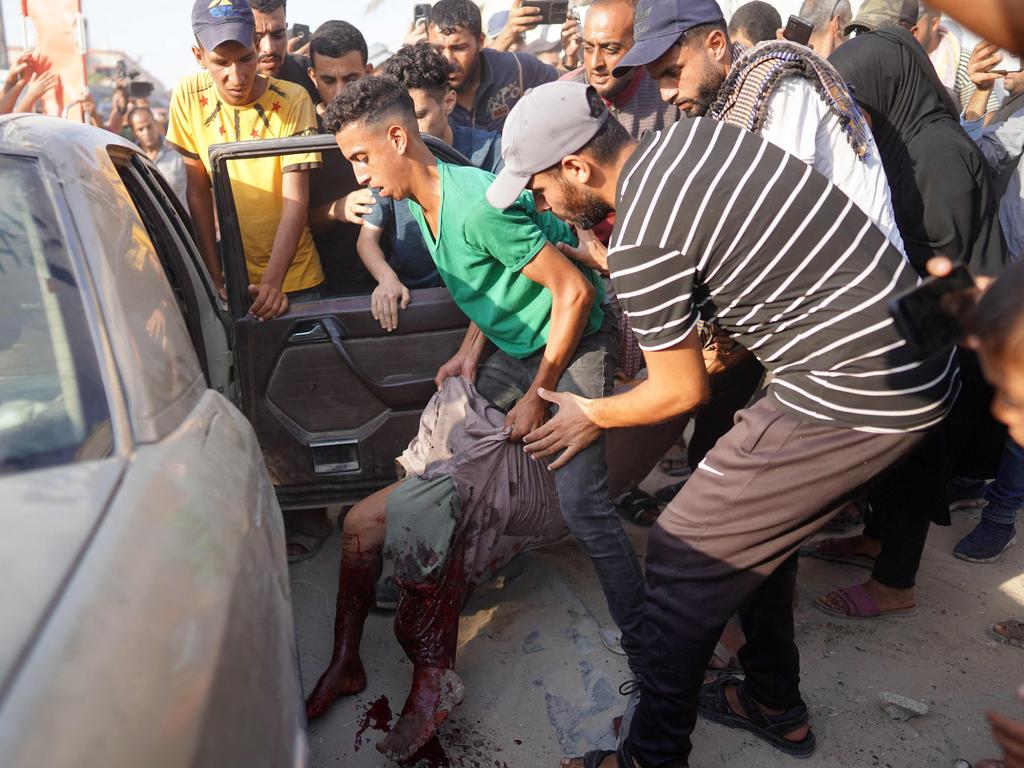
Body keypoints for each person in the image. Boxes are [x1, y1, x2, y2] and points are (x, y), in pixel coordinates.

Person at [485, 80, 958, 768]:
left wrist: (592, 412)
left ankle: (651, 756)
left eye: (538, 189)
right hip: (909, 349)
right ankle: (773, 702)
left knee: (683, 550)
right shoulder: (691, 139)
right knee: (749, 533)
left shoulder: (644, 233)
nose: (539, 205)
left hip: (857, 385)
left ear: (578, 169)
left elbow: (680, 390)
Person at [326, 72, 646, 698]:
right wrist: (468, 351)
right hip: (516, 344)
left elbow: (575, 292)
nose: (360, 177)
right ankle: (413, 592)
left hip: (573, 339)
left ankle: (646, 644)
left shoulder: (474, 206)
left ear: (398, 137)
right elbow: (486, 285)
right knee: (446, 449)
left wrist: (536, 395)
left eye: (362, 158)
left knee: (584, 507)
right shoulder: (422, 203)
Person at [804, 27, 1008, 620]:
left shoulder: (939, 153)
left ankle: (897, 581)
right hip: (923, 317)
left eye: (856, 98)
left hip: (953, 328)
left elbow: (951, 269)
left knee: (918, 451)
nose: (850, 113)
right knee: (887, 450)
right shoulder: (899, 142)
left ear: (888, 87)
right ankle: (874, 540)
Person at [167, 0, 323, 318]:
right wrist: (213, 277)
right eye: (221, 62)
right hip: (232, 286)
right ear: (199, 57)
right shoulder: (186, 96)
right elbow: (197, 192)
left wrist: (272, 285)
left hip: (297, 281)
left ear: (255, 45)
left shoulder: (294, 99)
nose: (236, 76)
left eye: (246, 59)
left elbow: (296, 201)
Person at [357, 42, 505, 333]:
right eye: (402, 120)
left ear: (448, 102)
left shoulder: (491, 152)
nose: (411, 132)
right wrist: (387, 279)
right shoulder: (389, 160)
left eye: (421, 115)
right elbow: (367, 239)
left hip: (491, 304)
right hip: (416, 304)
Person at [306, 20, 377, 299]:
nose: (339, 93)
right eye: (328, 80)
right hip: (333, 286)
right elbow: (295, 221)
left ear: (368, 72)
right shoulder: (302, 134)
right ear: (312, 76)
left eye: (350, 79)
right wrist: (337, 209)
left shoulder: (390, 122)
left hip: (399, 275)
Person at [426, 0, 558, 132]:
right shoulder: (421, 87)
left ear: (480, 42)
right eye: (438, 49)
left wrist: (570, 60)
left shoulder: (516, 67)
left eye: (459, 48)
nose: (448, 60)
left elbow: (568, 85)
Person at [563, 0, 680, 139]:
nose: (595, 63)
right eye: (588, 48)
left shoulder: (670, 94)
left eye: (610, 50)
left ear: (638, 48)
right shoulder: (564, 97)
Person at [249, 0, 319, 104]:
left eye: (278, 35)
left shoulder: (307, 73)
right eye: (257, 37)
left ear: (286, 29)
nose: (270, 49)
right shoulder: (223, 80)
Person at [128, 106, 188, 207]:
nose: (146, 132)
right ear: (134, 132)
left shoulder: (178, 155)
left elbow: (199, 191)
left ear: (156, 125)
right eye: (140, 129)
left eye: (149, 126)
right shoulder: (129, 161)